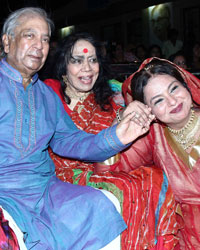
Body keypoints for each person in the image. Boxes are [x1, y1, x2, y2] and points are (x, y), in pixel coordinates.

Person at [0, 7, 154, 250]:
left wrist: (117, 136)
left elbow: (71, 141)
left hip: (44, 190)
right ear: (7, 42)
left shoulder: (46, 96)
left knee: (100, 206)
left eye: (45, 39)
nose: (39, 45)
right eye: (30, 35)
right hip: (5, 193)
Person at [44, 33, 180, 250]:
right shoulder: (47, 96)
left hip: (102, 172)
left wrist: (131, 114)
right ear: (63, 68)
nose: (87, 68)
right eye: (77, 61)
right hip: (58, 180)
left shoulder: (112, 98)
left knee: (152, 178)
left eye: (92, 59)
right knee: (121, 189)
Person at [116, 57, 200, 249]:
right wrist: (121, 123)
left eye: (174, 89)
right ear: (148, 110)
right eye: (159, 100)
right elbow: (111, 171)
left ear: (186, 85)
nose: (172, 101)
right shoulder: (154, 135)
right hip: (181, 238)